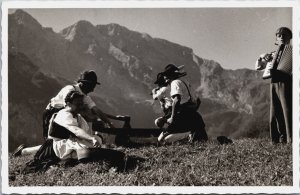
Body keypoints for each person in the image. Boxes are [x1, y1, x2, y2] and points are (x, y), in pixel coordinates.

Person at [42, 70, 127, 140]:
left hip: (65, 115)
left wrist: (110, 122)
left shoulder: (83, 95)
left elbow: (96, 110)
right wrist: (96, 120)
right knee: (52, 139)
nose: (93, 90)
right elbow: (68, 109)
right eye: (92, 86)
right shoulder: (69, 90)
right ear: (84, 84)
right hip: (52, 113)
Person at [255, 27, 292, 144]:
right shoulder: (271, 54)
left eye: (284, 35)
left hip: (287, 82)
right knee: (275, 112)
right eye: (279, 35)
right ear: (276, 38)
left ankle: (290, 139)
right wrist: (261, 57)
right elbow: (258, 67)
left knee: (287, 111)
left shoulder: (294, 51)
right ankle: (276, 140)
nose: (281, 37)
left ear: (289, 38)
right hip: (274, 82)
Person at [156, 64, 208, 143]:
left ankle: (190, 135)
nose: (164, 77)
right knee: (162, 139)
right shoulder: (185, 82)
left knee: (163, 140)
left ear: (171, 75)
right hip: (191, 115)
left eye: (166, 75)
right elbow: (198, 101)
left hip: (183, 115)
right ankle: (192, 135)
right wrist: (193, 110)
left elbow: (176, 100)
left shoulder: (175, 83)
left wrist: (172, 117)